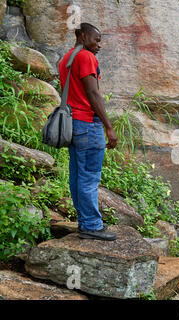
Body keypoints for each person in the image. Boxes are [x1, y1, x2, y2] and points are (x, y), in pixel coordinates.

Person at [59, 22, 118, 241]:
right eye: (96, 39)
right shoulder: (85, 57)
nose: (99, 45)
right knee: (89, 178)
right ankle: (92, 226)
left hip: (73, 125)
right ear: (83, 36)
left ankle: (85, 222)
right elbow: (93, 94)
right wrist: (108, 127)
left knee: (77, 176)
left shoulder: (67, 58)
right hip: (87, 125)